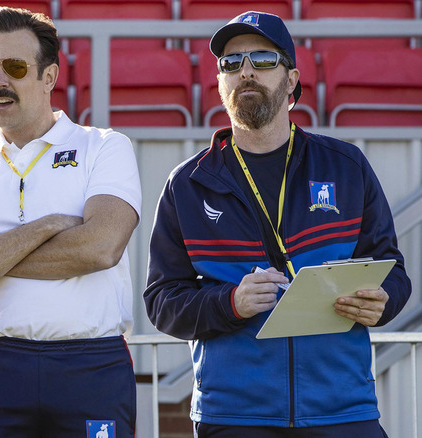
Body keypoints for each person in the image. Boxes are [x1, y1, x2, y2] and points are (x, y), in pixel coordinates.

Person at [144, 11, 411, 438]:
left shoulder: (346, 166)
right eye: (231, 63)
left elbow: (392, 271)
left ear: (291, 80)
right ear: (220, 84)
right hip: (234, 415)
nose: (245, 71)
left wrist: (383, 301)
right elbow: (161, 301)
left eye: (263, 59)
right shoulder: (187, 184)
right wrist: (229, 303)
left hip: (342, 408)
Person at [0, 7, 141, 438]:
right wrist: (47, 227)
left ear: (49, 77)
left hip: (91, 365)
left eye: (15, 67)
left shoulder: (104, 147)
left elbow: (100, 248)